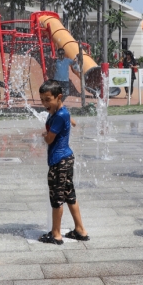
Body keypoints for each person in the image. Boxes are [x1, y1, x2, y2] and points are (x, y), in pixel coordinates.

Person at [38, 80, 88, 245]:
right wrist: (71, 122)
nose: (44, 103)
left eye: (47, 99)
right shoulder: (60, 111)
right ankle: (80, 230)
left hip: (59, 161)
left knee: (57, 198)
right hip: (65, 159)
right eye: (42, 100)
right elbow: (68, 119)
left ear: (58, 97)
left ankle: (56, 234)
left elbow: (50, 139)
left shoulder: (59, 115)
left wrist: (43, 136)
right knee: (69, 195)